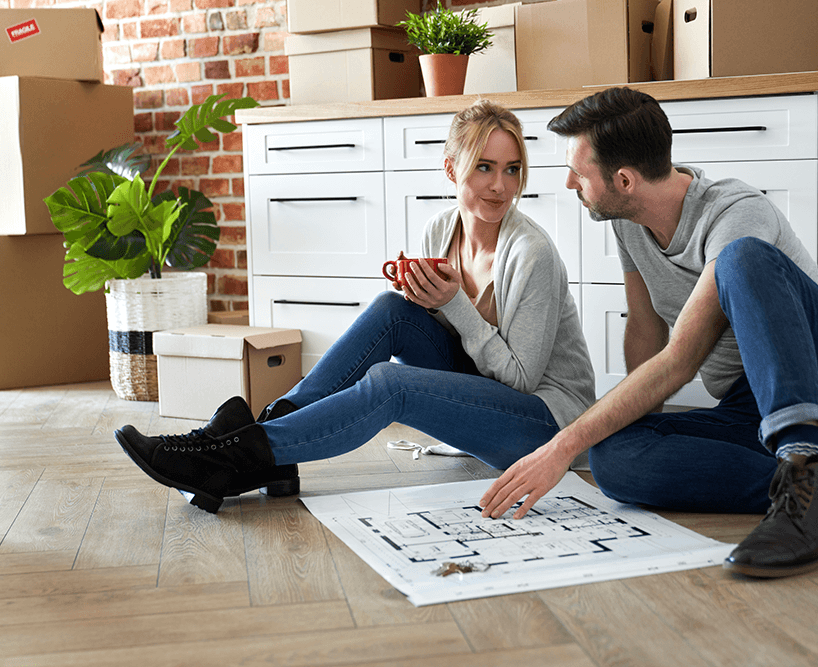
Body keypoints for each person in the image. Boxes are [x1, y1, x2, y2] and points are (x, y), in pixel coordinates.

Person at [478, 87, 818, 578]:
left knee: (743, 258)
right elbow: (646, 330)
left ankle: (807, 476)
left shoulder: (735, 210)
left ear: (624, 179)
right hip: (755, 406)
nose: (569, 182)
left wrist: (559, 447)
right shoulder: (628, 223)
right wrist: (644, 431)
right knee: (614, 456)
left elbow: (680, 359)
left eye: (578, 170)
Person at [115, 100, 596, 514]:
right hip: (484, 394)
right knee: (392, 308)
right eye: (484, 167)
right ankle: (265, 427)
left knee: (393, 385)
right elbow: (448, 344)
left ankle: (231, 456)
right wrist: (425, 304)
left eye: (512, 169)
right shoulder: (439, 231)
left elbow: (520, 379)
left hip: (545, 425)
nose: (500, 186)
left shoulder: (531, 252)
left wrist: (456, 305)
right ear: (452, 169)